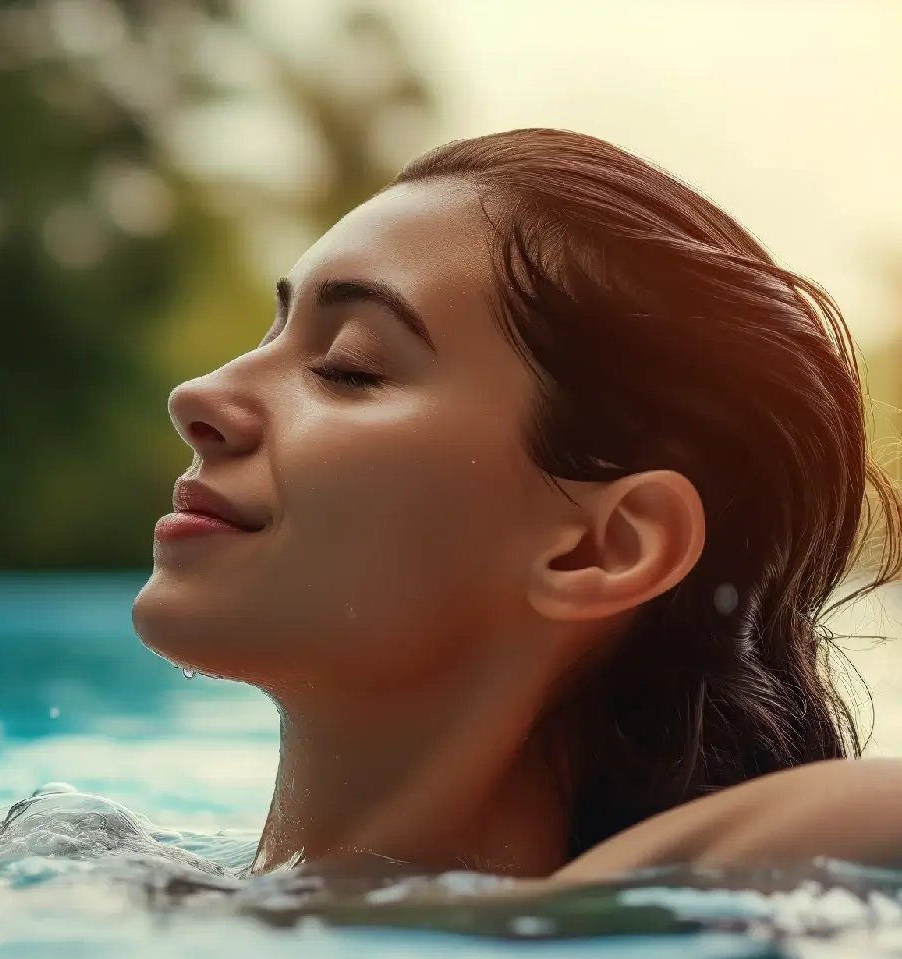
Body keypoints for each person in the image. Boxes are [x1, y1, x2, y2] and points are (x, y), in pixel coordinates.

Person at [131, 128, 902, 881]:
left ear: (602, 548)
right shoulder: (94, 857)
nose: (201, 396)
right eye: (273, 337)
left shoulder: (621, 916)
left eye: (348, 367)